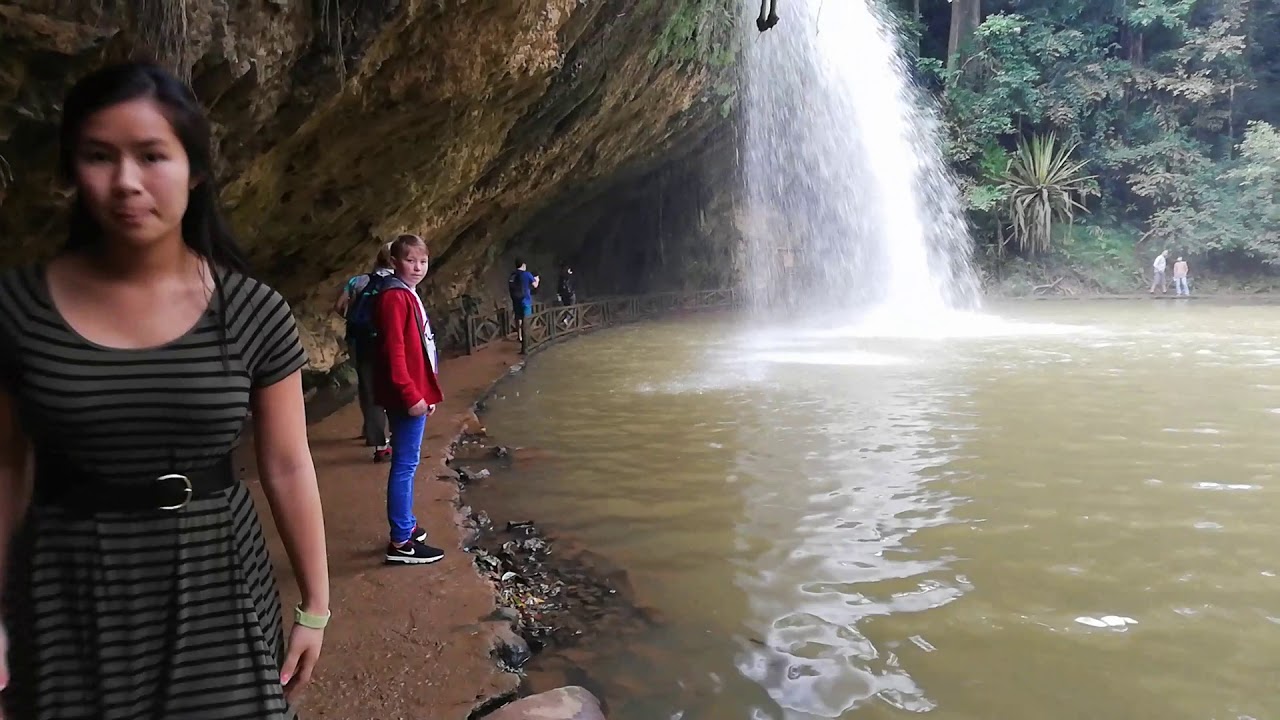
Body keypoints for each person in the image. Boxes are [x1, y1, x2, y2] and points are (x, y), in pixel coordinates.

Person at [0, 61, 329, 717]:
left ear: (195, 171)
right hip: (69, 583)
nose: (126, 182)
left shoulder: (252, 311)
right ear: (71, 171)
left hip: (216, 577)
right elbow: (5, 465)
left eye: (152, 156)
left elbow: (288, 464)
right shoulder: (18, 310)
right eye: (99, 156)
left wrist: (315, 606)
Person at [373, 234, 445, 565]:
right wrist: (411, 394)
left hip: (414, 390)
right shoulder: (395, 298)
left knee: (408, 462)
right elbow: (394, 352)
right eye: (410, 260)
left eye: (423, 261)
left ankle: (407, 525)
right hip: (406, 395)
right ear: (395, 262)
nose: (417, 267)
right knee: (405, 464)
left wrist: (425, 390)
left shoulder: (406, 294)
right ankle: (401, 542)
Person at [333, 242, 394, 462]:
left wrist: (354, 321)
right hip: (387, 342)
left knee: (368, 387)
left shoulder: (357, 281)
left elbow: (339, 306)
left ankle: (373, 434)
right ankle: (388, 441)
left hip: (360, 342)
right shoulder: (397, 283)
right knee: (390, 387)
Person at [507, 259, 539, 344]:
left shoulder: (512, 275)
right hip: (526, 300)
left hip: (515, 299)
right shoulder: (527, 274)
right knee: (526, 319)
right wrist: (537, 279)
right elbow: (535, 285)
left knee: (518, 318)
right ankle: (526, 338)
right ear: (523, 265)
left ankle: (519, 336)